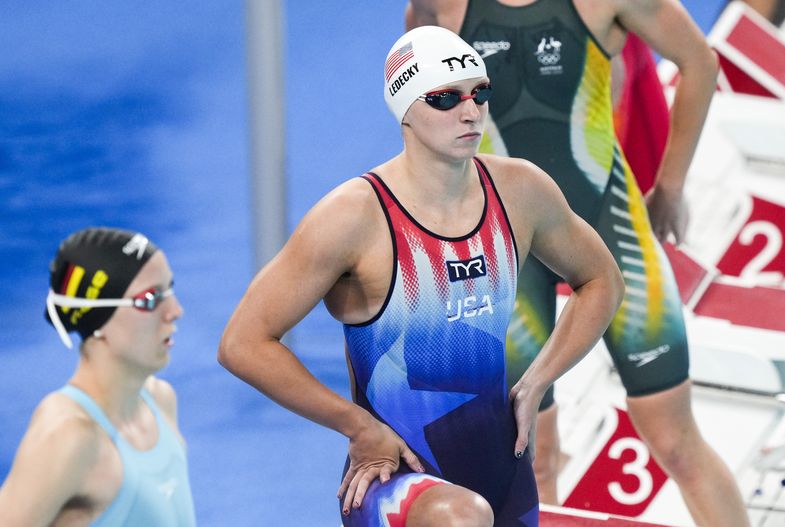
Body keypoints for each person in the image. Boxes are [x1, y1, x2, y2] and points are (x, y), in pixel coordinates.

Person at [218, 25, 623, 526]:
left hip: (503, 470)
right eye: (445, 99)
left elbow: (602, 281)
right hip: (397, 480)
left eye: (480, 93)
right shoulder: (352, 217)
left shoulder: (520, 190)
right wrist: (357, 426)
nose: (470, 110)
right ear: (404, 110)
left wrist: (537, 381)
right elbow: (243, 342)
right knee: (460, 518)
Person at [406, 1, 750, 525]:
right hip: (506, 250)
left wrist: (672, 185)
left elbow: (699, 61)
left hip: (610, 231)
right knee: (528, 455)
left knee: (675, 441)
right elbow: (413, 109)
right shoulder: (437, 6)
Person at [0, 227, 195, 527]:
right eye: (149, 299)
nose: (175, 310)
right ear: (97, 320)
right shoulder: (67, 436)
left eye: (170, 289)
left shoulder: (160, 401)